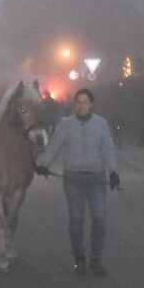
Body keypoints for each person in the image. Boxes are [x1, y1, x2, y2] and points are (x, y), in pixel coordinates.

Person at [35, 88, 120, 277]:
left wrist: (113, 171)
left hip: (96, 177)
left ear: (91, 104)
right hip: (73, 178)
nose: (81, 105)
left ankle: (96, 259)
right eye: (78, 102)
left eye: (85, 102)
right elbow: (54, 147)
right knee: (77, 220)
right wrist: (43, 164)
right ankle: (79, 258)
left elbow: (108, 149)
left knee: (99, 219)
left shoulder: (101, 124)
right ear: (75, 105)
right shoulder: (65, 124)